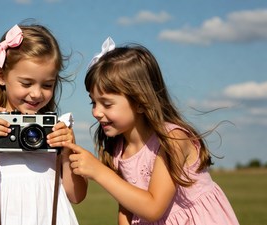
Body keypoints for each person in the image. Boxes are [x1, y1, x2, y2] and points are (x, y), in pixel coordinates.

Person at [61, 37, 239, 225]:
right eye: (93, 102)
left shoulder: (173, 140)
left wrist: (99, 172)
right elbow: (127, 208)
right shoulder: (118, 148)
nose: (96, 112)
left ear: (140, 102)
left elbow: (153, 208)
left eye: (107, 104)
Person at [0, 23, 87, 225]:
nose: (36, 93)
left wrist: (67, 151)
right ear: (1, 76)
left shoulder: (58, 129)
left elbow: (76, 196)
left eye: (47, 85)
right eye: (26, 83)